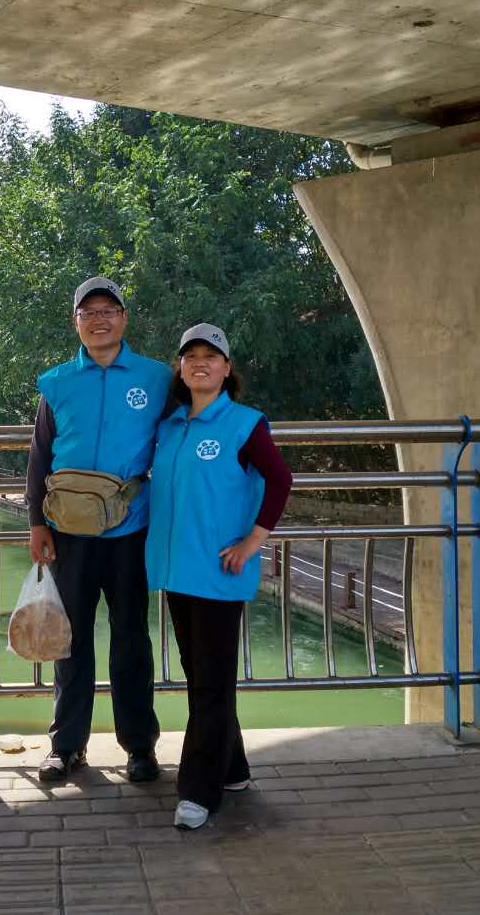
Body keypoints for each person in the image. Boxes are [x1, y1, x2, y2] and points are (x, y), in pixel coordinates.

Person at [145, 322, 293, 830]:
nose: (200, 364)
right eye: (191, 357)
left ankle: (198, 792)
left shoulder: (245, 424)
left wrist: (254, 541)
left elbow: (280, 479)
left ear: (227, 369)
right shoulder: (170, 426)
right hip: (176, 570)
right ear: (180, 368)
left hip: (218, 571)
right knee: (203, 677)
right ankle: (232, 769)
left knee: (210, 684)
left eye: (211, 356)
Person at [26, 276, 172, 784]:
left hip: (131, 528)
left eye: (109, 310)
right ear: (76, 323)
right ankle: (67, 746)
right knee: (70, 640)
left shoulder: (157, 378)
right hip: (67, 531)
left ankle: (139, 746)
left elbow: (180, 439)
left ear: (124, 318)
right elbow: (40, 455)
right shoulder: (57, 382)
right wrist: (36, 521)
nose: (99, 319)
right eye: (89, 312)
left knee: (131, 638)